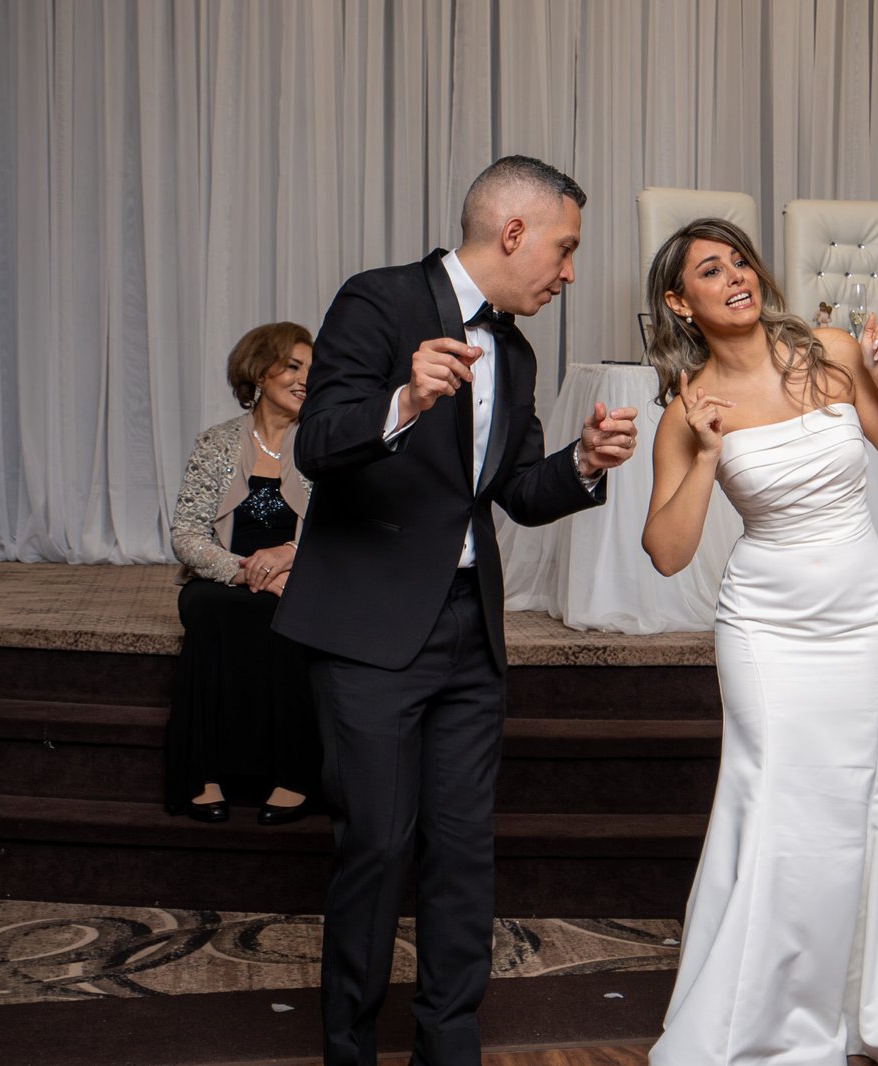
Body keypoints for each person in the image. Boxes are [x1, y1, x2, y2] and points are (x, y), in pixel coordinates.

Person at [271, 155, 639, 1066]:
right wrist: (401, 399)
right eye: (564, 249)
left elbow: (517, 491)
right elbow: (316, 445)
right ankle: (351, 1051)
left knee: (464, 853)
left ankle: (449, 1048)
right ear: (512, 233)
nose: (569, 272)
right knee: (376, 848)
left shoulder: (517, 350)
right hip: (369, 634)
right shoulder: (379, 300)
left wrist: (583, 463)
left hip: (472, 632)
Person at [641, 218, 878, 1065]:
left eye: (741, 261)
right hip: (765, 624)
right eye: (711, 270)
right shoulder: (690, 409)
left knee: (860, 793)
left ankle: (864, 996)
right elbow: (667, 552)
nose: (736, 277)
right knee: (773, 797)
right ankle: (764, 1014)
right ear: (680, 302)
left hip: (860, 611)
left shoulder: (829, 350)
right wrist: (708, 456)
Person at [166, 321, 319, 825]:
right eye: (293, 366)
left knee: (291, 614)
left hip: (298, 577)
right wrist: (249, 572)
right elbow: (187, 534)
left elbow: (340, 527)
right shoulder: (216, 443)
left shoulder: (322, 445)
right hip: (224, 580)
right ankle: (203, 773)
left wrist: (288, 556)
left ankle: (293, 776)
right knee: (206, 607)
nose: (304, 379)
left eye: (311, 370)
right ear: (259, 371)